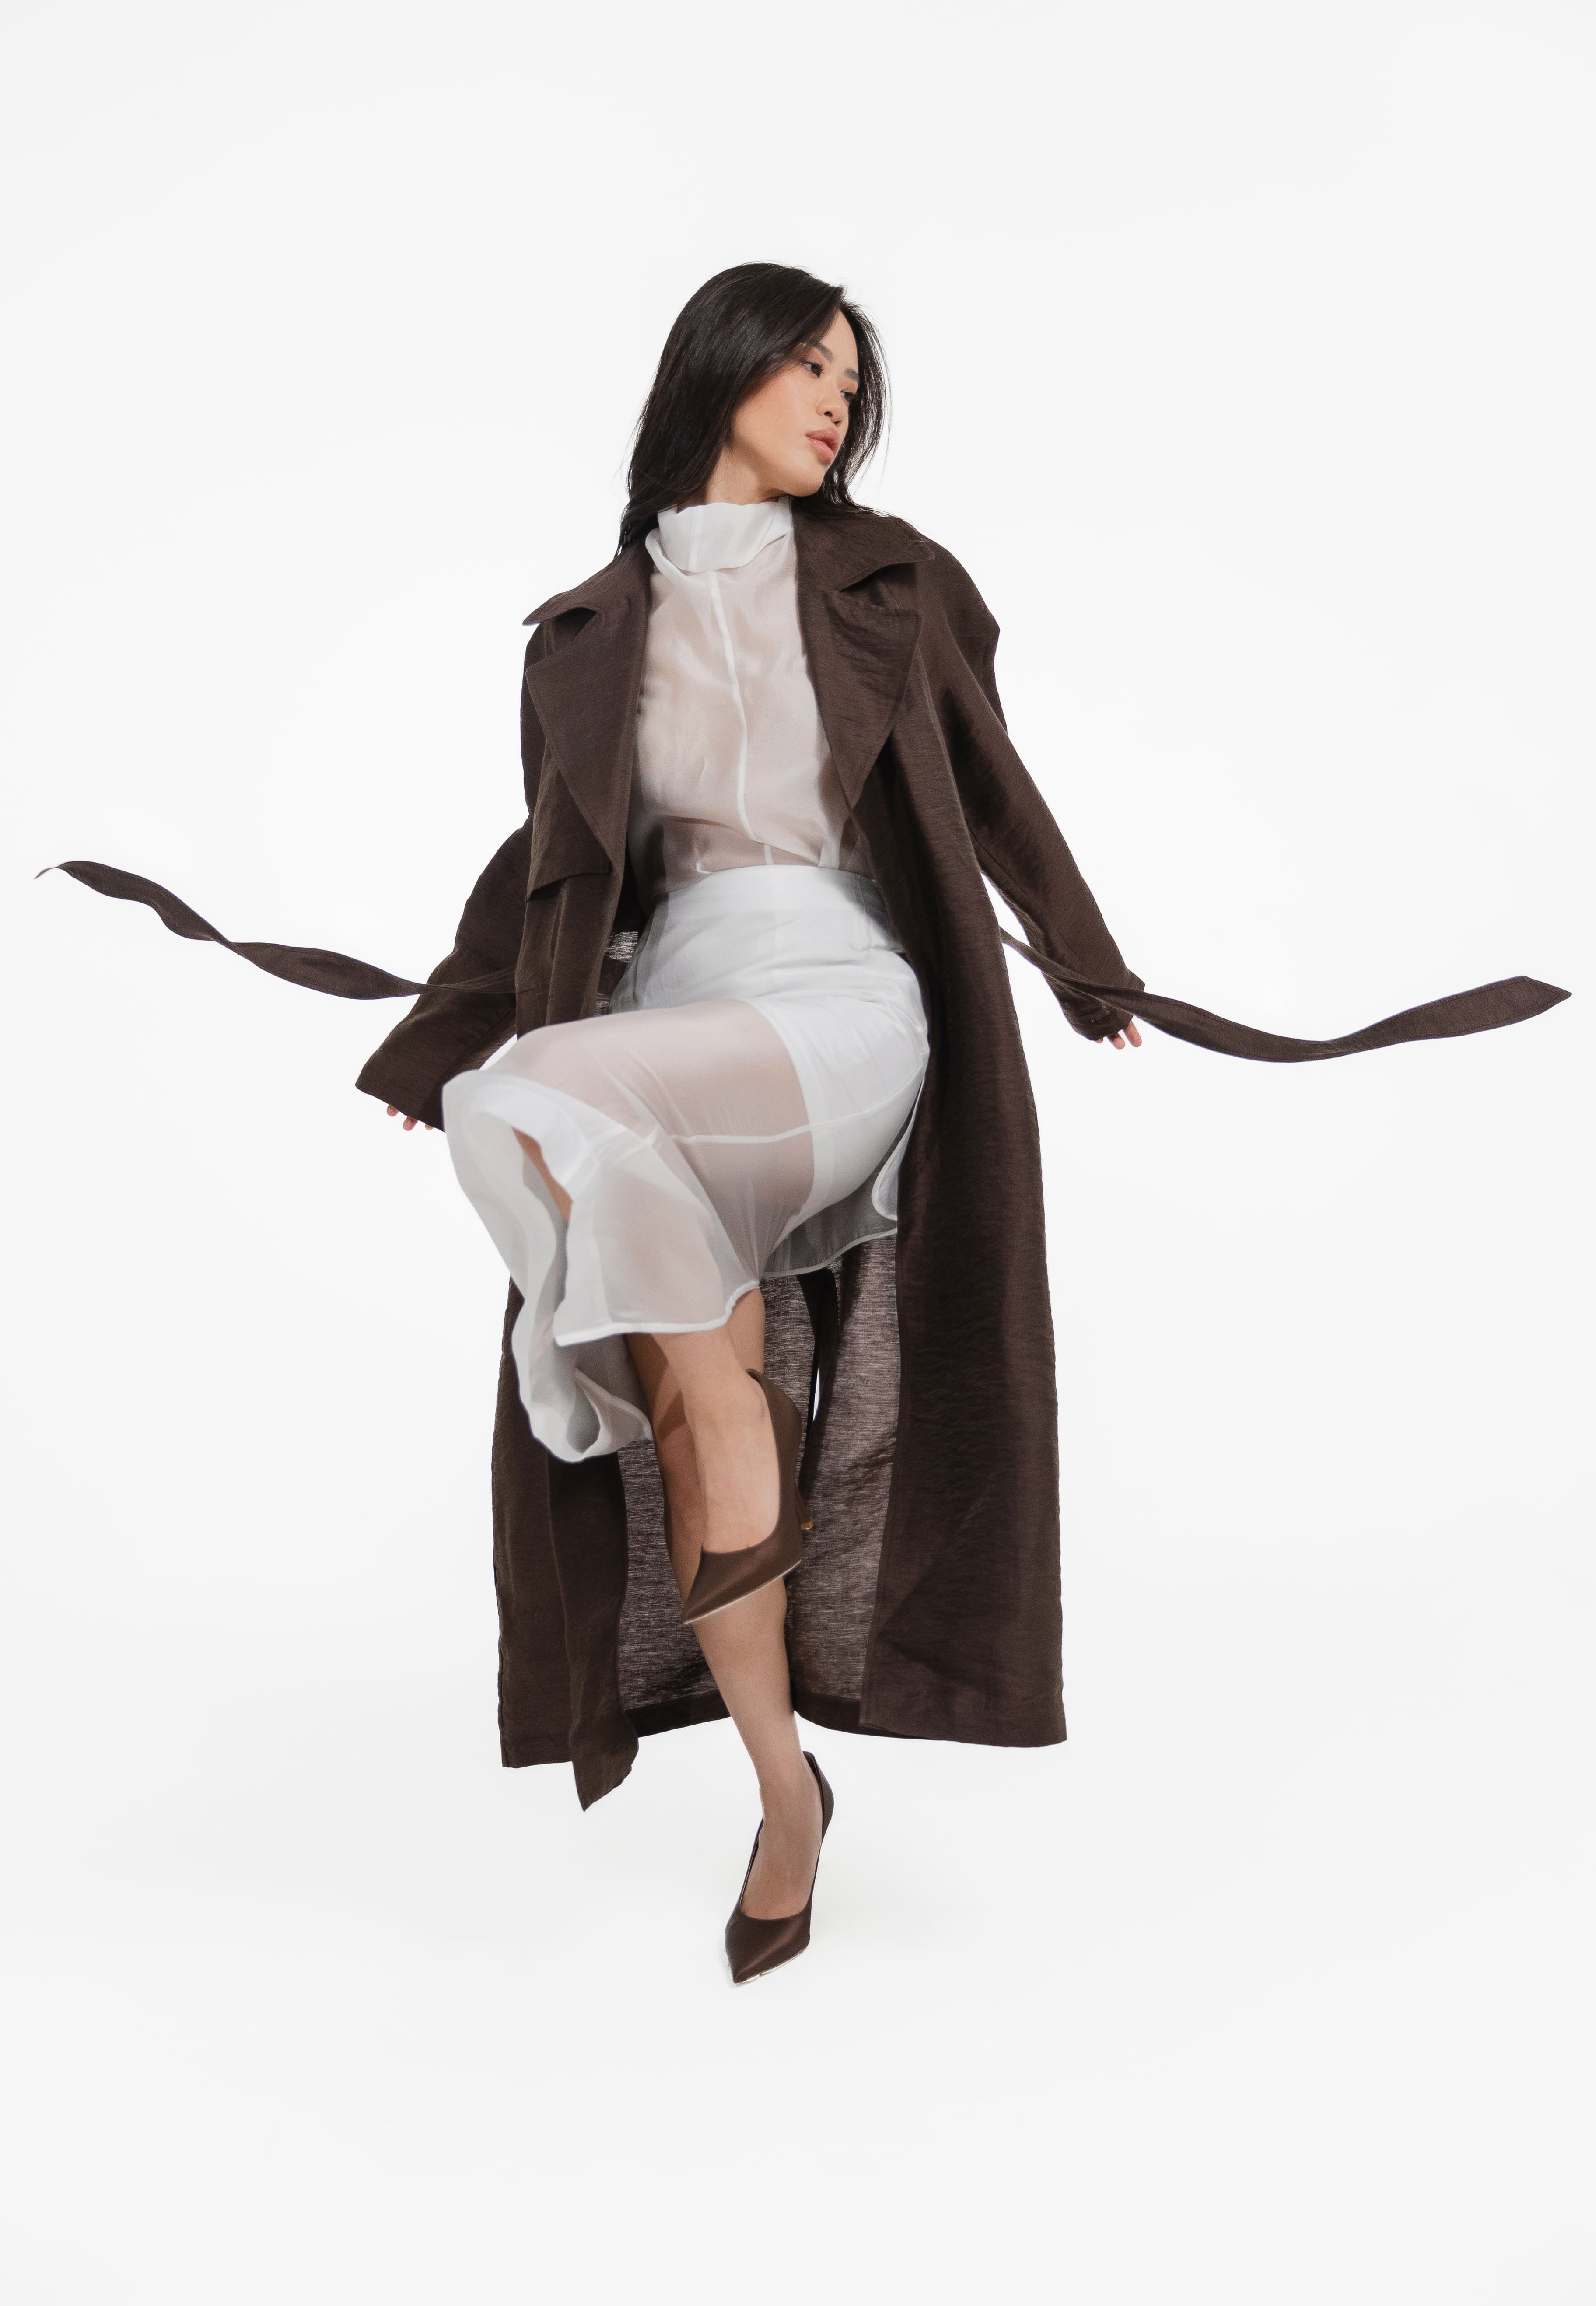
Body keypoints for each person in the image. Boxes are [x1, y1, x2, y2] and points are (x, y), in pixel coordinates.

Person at [53, 263, 1565, 1986]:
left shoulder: (891, 581)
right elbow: (545, 856)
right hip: (672, 1019)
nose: (840, 400)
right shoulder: (582, 637)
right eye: (810, 367)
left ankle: (575, 1369)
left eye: (855, 378)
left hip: (844, 1007)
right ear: (721, 371)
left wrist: (1086, 965)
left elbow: (993, 783)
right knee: (682, 1373)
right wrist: (438, 1036)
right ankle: (786, 1792)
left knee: (534, 1102)